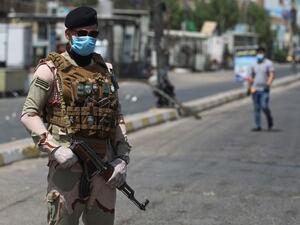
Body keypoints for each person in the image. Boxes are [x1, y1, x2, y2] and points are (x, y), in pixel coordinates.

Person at [20, 6, 131, 225]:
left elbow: (116, 117)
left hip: (104, 170)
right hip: (68, 170)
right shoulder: (50, 69)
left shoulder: (106, 70)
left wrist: (122, 159)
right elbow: (28, 114)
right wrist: (53, 148)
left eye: (93, 34)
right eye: (82, 33)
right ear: (69, 34)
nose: (88, 38)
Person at [248, 46, 274, 131]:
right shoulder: (253, 63)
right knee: (256, 108)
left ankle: (269, 119)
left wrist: (269, 83)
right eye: (258, 52)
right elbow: (251, 76)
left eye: (261, 52)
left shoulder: (268, 63)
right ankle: (258, 126)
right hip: (255, 89)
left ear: (264, 53)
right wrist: (249, 87)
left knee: (264, 106)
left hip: (264, 89)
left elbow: (271, 74)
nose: (260, 54)